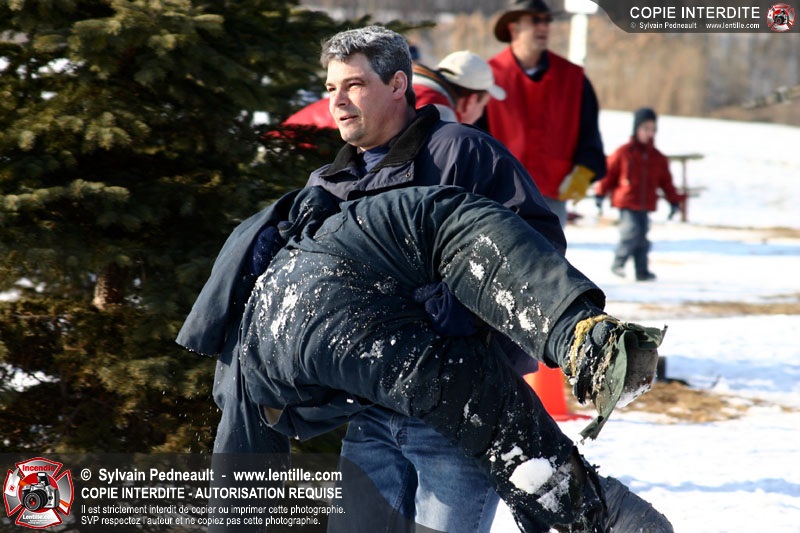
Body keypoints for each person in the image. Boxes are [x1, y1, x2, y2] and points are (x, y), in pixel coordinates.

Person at [180, 183, 674, 532]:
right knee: (476, 243)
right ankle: (584, 338)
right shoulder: (312, 226)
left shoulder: (256, 352)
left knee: (473, 396)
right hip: (411, 232)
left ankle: (600, 511)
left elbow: (240, 476)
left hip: (337, 317)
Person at [481, 0, 607, 227]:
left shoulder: (573, 78)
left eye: (547, 20)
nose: (544, 27)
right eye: (535, 20)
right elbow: (472, 135)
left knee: (549, 250)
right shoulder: (488, 76)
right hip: (499, 194)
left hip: (552, 195)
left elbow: (590, 134)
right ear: (513, 27)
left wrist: (585, 169)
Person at [280, 49, 505, 133]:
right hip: (290, 162)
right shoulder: (439, 113)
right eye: (483, 106)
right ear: (470, 100)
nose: (480, 116)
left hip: (282, 146)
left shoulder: (408, 86)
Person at [594, 107, 685, 281]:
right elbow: (609, 175)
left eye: (652, 129)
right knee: (631, 232)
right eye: (645, 128)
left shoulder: (657, 157)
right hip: (627, 201)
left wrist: (674, 201)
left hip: (646, 203)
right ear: (636, 129)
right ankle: (618, 263)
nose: (649, 133)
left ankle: (642, 271)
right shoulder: (624, 152)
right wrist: (600, 193)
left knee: (642, 238)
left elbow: (666, 183)